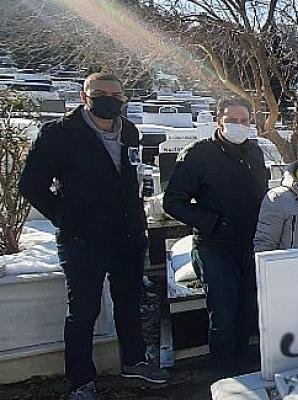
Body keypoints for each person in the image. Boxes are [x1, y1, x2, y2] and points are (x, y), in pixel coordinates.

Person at [19, 73, 169, 399]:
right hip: (82, 239)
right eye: (100, 93)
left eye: (116, 94)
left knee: (128, 302)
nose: (109, 99)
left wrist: (139, 222)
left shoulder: (129, 131)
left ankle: (134, 361)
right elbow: (31, 184)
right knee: (83, 311)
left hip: (127, 236)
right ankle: (81, 381)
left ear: (124, 99)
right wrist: (65, 218)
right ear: (85, 96)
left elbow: (130, 180)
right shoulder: (60, 133)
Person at [163, 98, 268, 376]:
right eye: (232, 120)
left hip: (250, 245)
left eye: (244, 120)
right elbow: (173, 201)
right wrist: (213, 222)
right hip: (215, 246)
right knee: (223, 315)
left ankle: (243, 371)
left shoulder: (255, 153)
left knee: (248, 313)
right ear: (218, 120)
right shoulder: (198, 154)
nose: (239, 125)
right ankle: (223, 376)